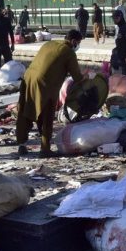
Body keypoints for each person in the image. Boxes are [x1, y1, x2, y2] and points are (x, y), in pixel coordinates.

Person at [16, 30, 84, 158]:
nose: (77, 46)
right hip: (45, 84)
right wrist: (86, 77)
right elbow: (77, 77)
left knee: (25, 110)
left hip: (28, 78)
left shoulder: (49, 44)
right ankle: (45, 148)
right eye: (78, 43)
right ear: (74, 41)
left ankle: (21, 144)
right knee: (47, 114)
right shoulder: (68, 52)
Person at [110, 9, 126, 76]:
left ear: (119, 17)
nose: (113, 20)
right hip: (122, 56)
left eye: (114, 18)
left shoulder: (125, 27)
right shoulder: (120, 27)